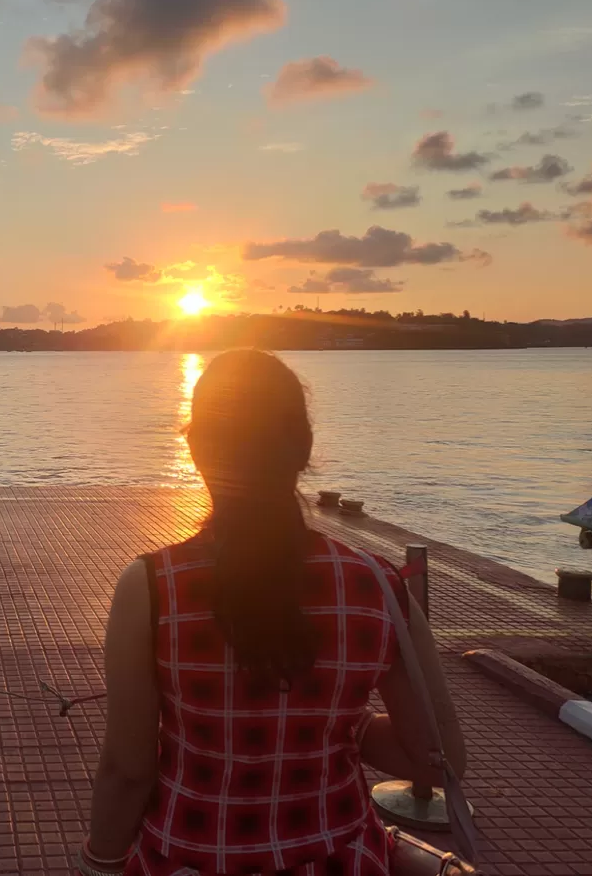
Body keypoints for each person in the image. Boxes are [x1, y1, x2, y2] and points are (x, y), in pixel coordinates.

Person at [77, 349, 465, 876]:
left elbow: (128, 769)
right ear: (303, 448)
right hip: (340, 859)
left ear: (196, 449)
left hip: (192, 856)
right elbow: (438, 759)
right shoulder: (379, 585)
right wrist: (338, 724)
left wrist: (99, 863)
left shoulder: (151, 588)